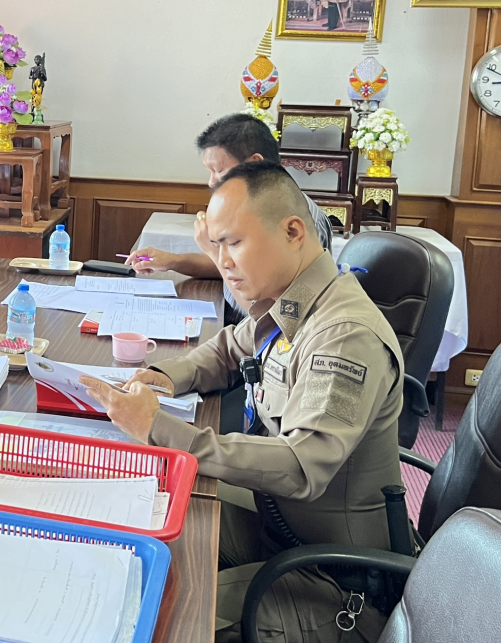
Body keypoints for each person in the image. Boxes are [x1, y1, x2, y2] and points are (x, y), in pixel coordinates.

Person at [84, 162, 403, 643]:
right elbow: (231, 347)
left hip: (333, 581)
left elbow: (301, 466)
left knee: (154, 613)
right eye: (216, 245)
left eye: (233, 243)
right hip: (280, 526)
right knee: (150, 502)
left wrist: (161, 428)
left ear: (293, 231)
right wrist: (165, 376)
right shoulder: (295, 300)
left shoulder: (344, 335)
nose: (223, 261)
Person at [127, 113, 334, 324]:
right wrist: (174, 261)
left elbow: (279, 321)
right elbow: (237, 267)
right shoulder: (249, 208)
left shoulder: (301, 219)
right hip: (231, 326)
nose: (211, 182)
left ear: (254, 163)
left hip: (255, 337)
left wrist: (212, 248)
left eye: (219, 171)